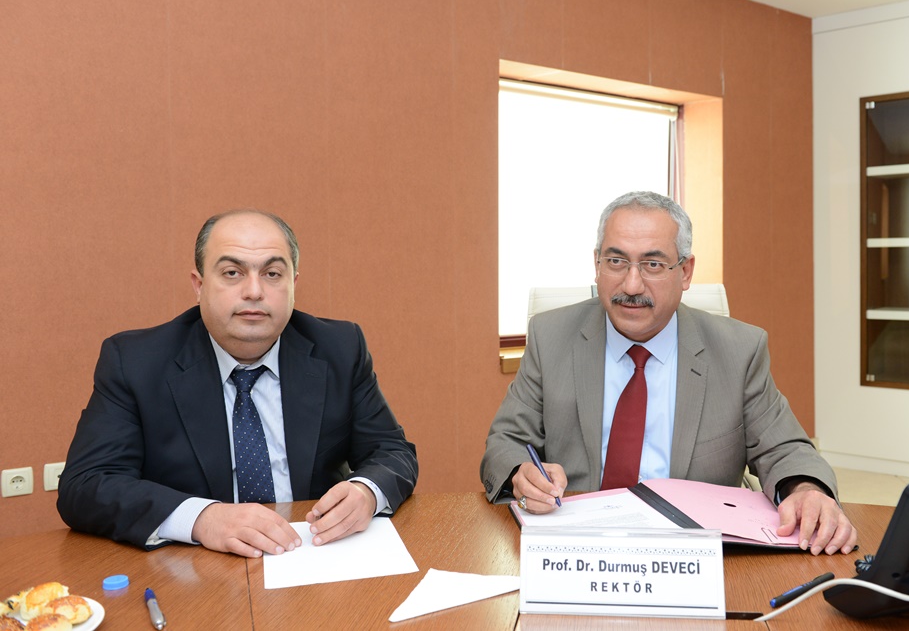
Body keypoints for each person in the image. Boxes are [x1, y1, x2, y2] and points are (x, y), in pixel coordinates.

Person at [480, 191, 857, 556]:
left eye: (653, 265)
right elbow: (506, 441)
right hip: (578, 546)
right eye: (616, 261)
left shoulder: (739, 350)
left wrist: (807, 490)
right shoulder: (551, 337)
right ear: (597, 264)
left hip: (693, 552)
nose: (631, 285)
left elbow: (785, 448)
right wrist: (521, 474)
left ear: (686, 271)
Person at [58, 210, 418, 557]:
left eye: (272, 274)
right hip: (195, 566)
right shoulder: (136, 361)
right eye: (232, 273)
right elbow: (86, 484)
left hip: (311, 552)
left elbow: (392, 451)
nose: (254, 291)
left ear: (293, 286)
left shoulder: (339, 347)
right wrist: (202, 518)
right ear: (199, 285)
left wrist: (366, 491)